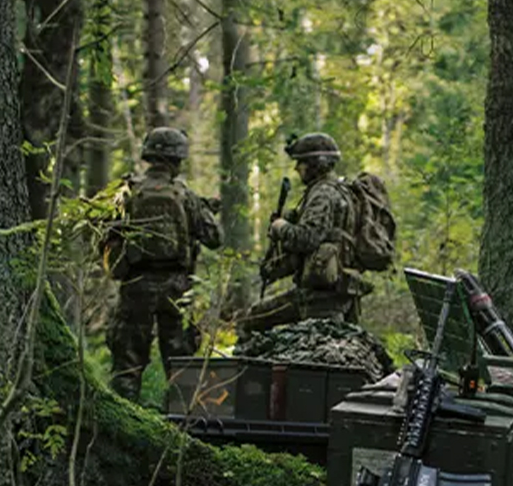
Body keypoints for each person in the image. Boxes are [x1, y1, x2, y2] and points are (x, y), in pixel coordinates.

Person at [102, 127, 222, 399]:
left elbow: (106, 233)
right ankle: (182, 417)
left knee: (127, 363)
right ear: (177, 160)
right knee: (180, 361)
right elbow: (214, 238)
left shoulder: (128, 192)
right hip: (176, 288)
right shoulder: (185, 195)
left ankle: (124, 414)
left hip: (136, 284)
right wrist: (203, 211)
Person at [238, 133, 371, 334]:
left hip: (321, 298)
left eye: (301, 163)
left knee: (252, 320)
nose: (297, 168)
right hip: (337, 291)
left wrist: (281, 227)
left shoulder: (323, 194)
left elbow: (307, 238)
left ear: (316, 164)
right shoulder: (340, 190)